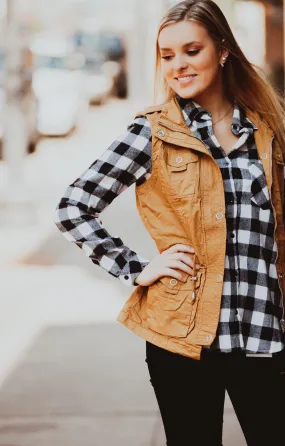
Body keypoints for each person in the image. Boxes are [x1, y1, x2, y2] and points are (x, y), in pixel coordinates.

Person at [54, 1, 285, 444]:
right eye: (167, 55)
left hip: (263, 331)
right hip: (181, 337)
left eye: (191, 50)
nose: (178, 65)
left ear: (222, 50)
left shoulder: (268, 129)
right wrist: (136, 267)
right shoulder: (151, 133)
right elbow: (73, 206)